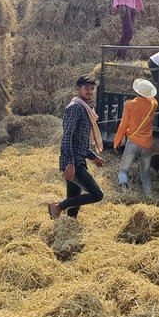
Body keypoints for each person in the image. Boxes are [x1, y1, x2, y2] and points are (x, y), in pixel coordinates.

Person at [49, 75, 106, 219]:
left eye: (92, 89)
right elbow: (68, 136)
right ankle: (58, 206)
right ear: (78, 89)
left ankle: (68, 222)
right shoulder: (75, 108)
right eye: (86, 88)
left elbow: (80, 142)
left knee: (74, 200)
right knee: (97, 194)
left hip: (78, 160)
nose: (90, 91)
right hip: (73, 161)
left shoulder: (85, 109)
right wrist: (70, 163)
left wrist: (93, 157)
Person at [113, 78, 159, 195]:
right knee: (145, 173)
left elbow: (123, 125)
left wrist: (117, 141)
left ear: (137, 91)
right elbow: (152, 99)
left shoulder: (129, 104)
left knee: (123, 170)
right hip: (147, 144)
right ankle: (149, 197)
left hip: (133, 142)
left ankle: (125, 192)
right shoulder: (154, 104)